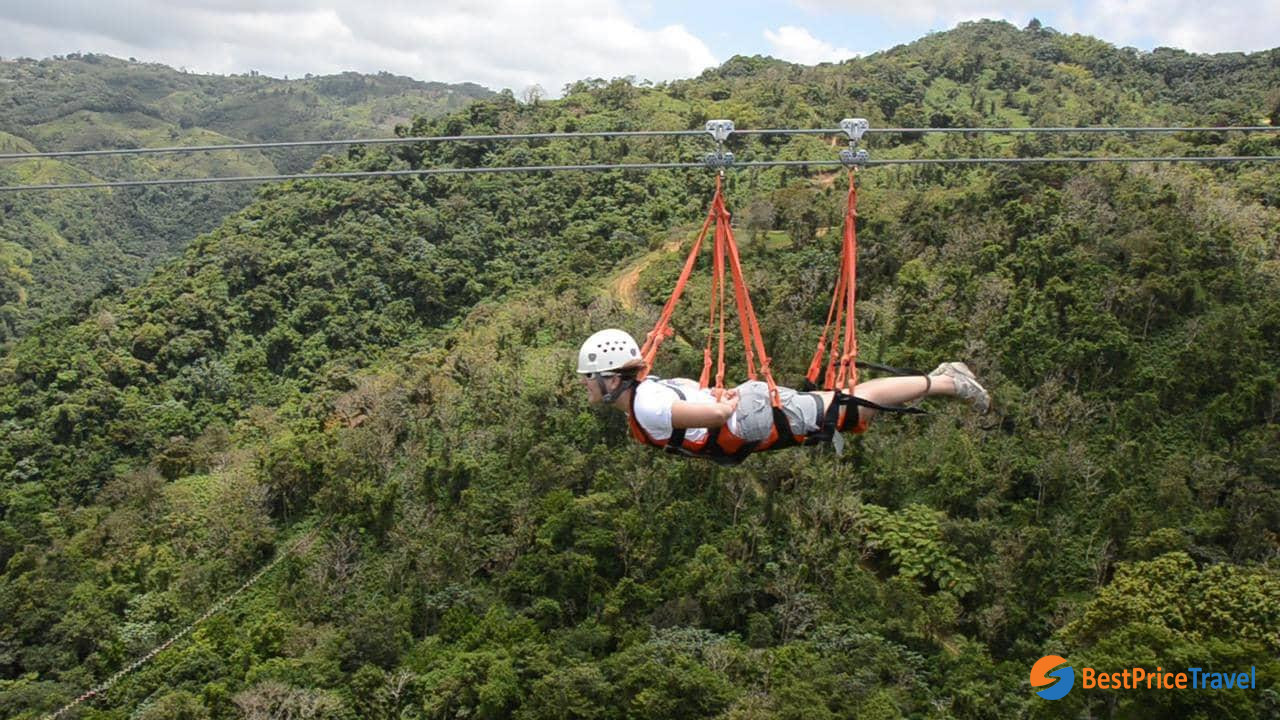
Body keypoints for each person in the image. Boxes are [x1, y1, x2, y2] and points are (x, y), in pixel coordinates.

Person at [576, 328, 989, 458]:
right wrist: (718, 398)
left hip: (751, 415)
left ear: (612, 380)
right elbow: (699, 397)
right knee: (847, 406)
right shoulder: (651, 389)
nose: (584, 384)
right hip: (750, 412)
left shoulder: (647, 407)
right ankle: (945, 381)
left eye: (588, 377)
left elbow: (717, 416)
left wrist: (723, 403)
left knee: (851, 407)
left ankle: (951, 382)